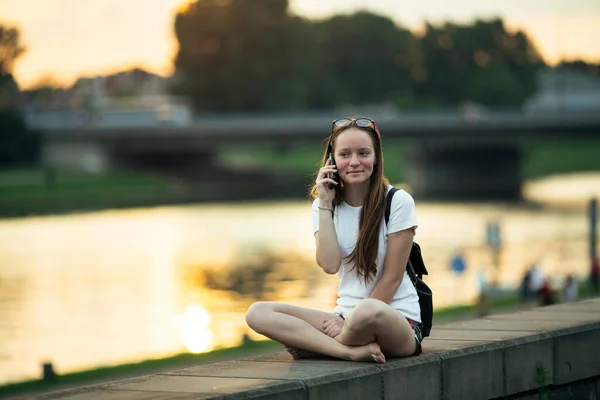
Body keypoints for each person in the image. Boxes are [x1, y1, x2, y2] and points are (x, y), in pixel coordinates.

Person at [245, 117, 422, 364]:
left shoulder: (398, 202)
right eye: (345, 154)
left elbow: (392, 279)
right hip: (343, 319)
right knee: (258, 313)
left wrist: (348, 323)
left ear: (376, 158)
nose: (354, 162)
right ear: (332, 160)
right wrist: (326, 204)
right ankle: (348, 351)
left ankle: (321, 345)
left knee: (367, 311)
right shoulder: (323, 206)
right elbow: (329, 265)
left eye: (363, 153)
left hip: (395, 319)